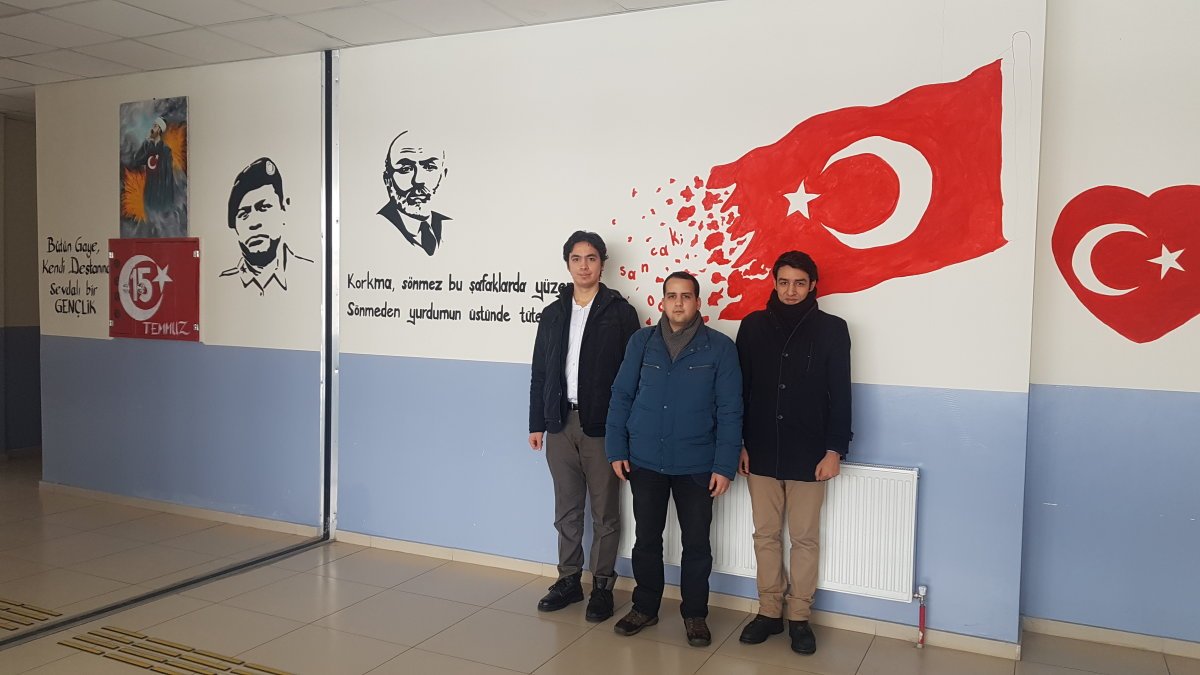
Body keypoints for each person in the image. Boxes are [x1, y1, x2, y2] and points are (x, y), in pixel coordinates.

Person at [606, 272, 743, 647]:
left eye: (685, 296)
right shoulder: (641, 342)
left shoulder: (720, 348)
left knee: (696, 544)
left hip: (697, 463)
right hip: (645, 459)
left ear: (698, 302)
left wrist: (724, 465)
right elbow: (621, 395)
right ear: (662, 301)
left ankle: (695, 615)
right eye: (671, 296)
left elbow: (731, 410)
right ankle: (645, 607)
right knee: (646, 539)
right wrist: (616, 449)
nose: (678, 303)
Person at [734, 250, 852, 656]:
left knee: (804, 538)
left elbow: (841, 394)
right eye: (784, 282)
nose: (790, 290)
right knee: (765, 534)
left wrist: (835, 449)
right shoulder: (753, 326)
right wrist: (739, 443)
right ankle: (769, 611)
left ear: (813, 285)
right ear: (774, 283)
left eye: (799, 283)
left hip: (810, 452)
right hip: (761, 448)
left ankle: (799, 617)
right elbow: (740, 391)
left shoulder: (832, 329)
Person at [528, 231, 640, 621]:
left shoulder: (620, 312)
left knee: (605, 514)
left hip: (603, 427)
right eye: (576, 258)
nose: (584, 266)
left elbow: (632, 377)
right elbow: (540, 372)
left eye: (591, 258)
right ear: (568, 264)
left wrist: (625, 431)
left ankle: (603, 587)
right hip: (559, 423)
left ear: (602, 264)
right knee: (567, 511)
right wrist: (537, 423)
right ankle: (569, 580)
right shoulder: (553, 313)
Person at [220, 157, 312, 294]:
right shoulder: (222, 285)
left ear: (283, 209)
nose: (254, 223)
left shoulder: (309, 275)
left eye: (264, 208)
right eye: (243, 214)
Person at [378, 131, 449, 256]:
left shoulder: (452, 227)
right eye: (406, 169)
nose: (418, 180)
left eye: (429, 167)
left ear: (442, 176)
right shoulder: (376, 228)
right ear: (388, 179)